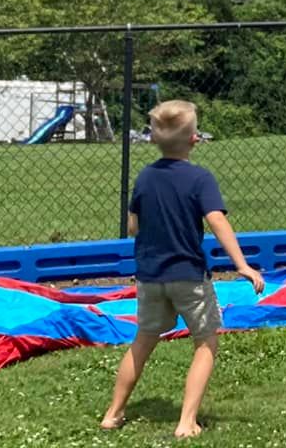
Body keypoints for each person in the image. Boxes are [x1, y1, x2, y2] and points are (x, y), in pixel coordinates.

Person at [100, 100, 264, 439]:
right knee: (206, 342)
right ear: (194, 140)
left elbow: (133, 226)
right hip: (188, 276)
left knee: (143, 341)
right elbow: (217, 221)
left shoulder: (145, 177)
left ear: (153, 140)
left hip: (150, 276)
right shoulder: (200, 178)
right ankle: (186, 421)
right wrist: (242, 265)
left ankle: (113, 413)